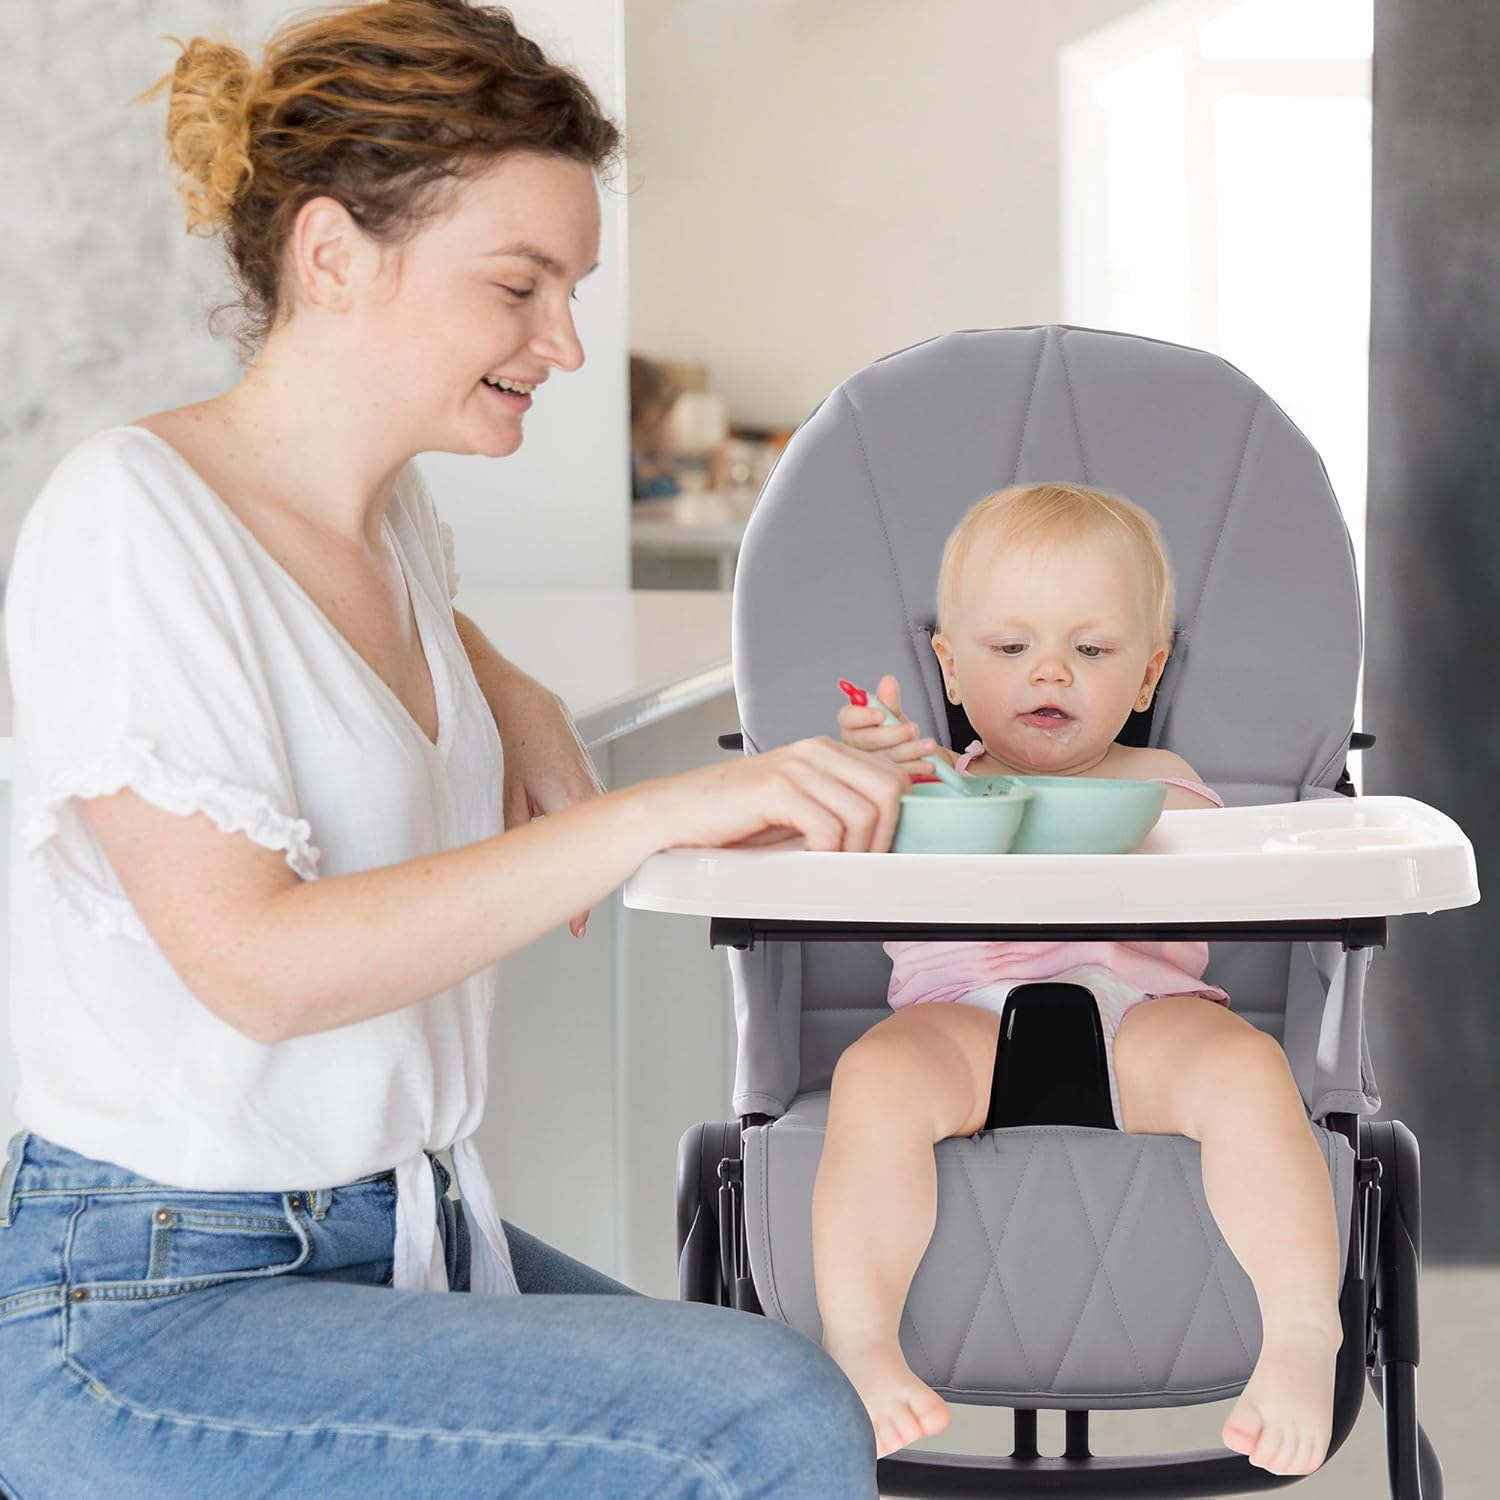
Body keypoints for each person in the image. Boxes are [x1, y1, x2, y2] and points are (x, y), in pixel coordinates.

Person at [0, 4, 909, 1494]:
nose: (561, 343)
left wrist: (521, 698)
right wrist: (653, 813)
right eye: (519, 287)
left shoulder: (392, 529)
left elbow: (360, 648)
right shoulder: (126, 523)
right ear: (334, 254)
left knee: (796, 1390)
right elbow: (260, 966)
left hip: (399, 1230)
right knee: (765, 1428)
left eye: (572, 291)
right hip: (152, 1306)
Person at [823, 483, 1344, 1477]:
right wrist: (887, 779)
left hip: (1141, 1017)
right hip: (957, 1019)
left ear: (1147, 672)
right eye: (1009, 649)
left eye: (1092, 652)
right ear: (951, 665)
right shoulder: (934, 786)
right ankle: (861, 1341)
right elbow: (844, 828)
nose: (1050, 671)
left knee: (1248, 1073)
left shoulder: (1168, 781)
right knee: (874, 1081)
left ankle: (1299, 1334)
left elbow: (1225, 871)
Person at [630, 352, 683, 499]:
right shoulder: (649, 482)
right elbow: (669, 515)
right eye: (668, 418)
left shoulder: (651, 470)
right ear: (651, 418)